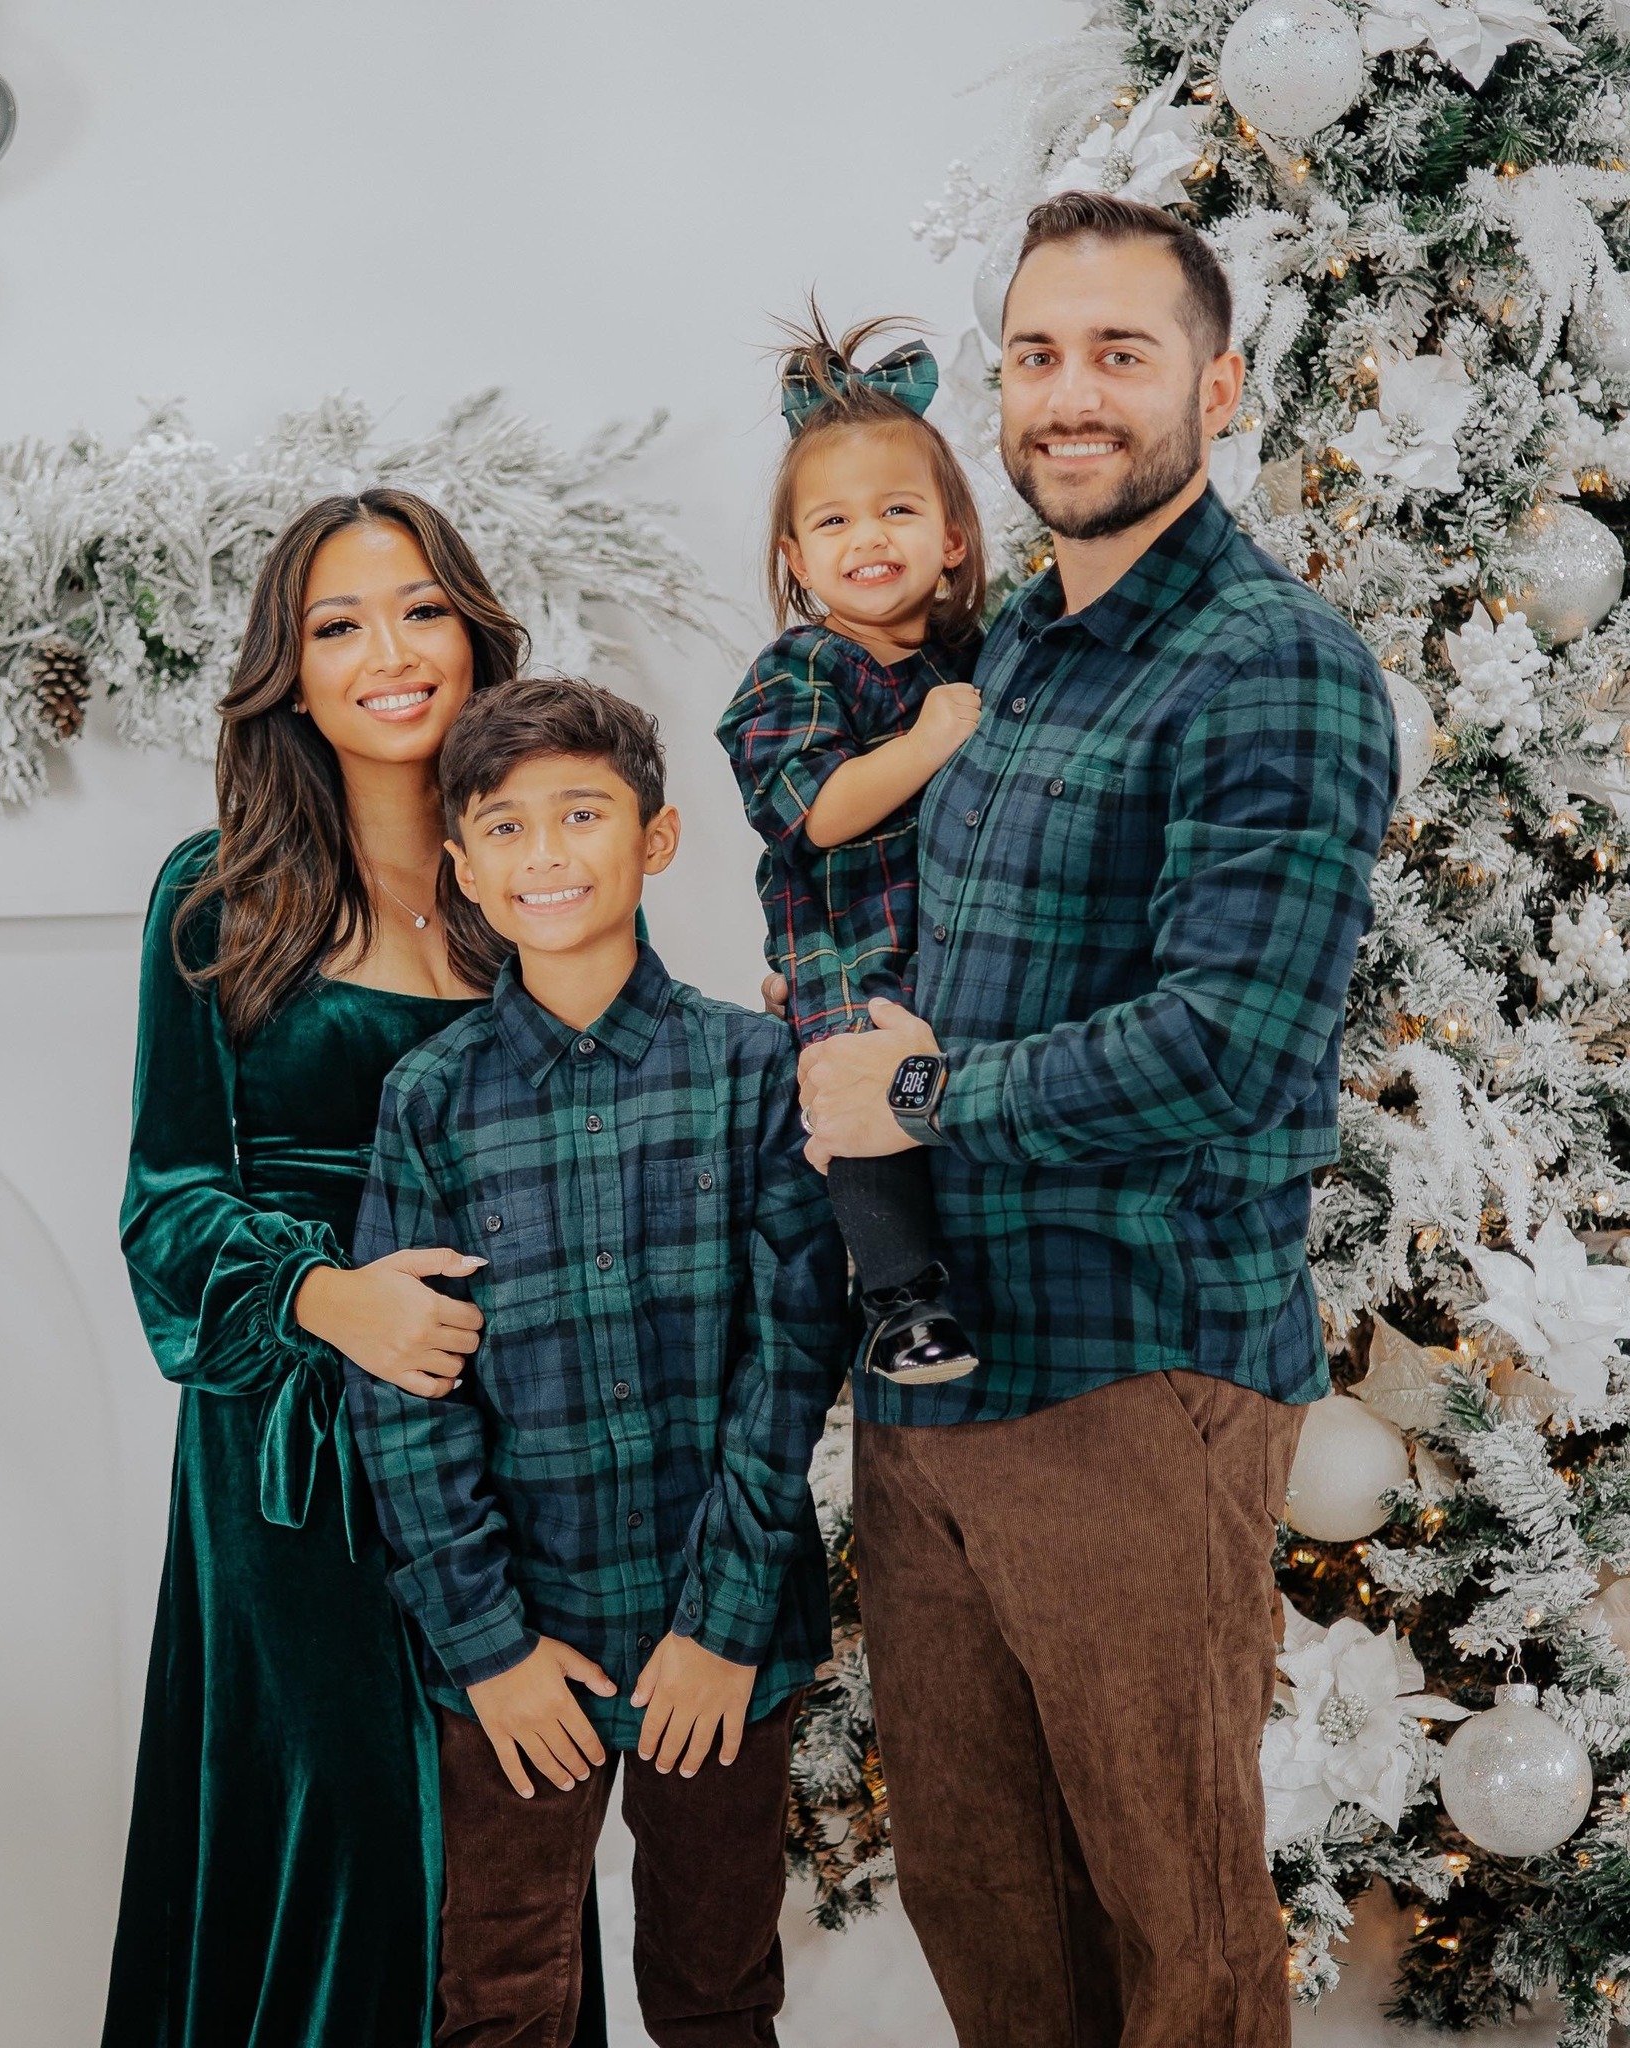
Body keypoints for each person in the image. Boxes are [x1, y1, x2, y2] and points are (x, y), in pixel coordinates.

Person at [793, 192, 1399, 2046]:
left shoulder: (1268, 661)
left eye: (1118, 354)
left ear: (1216, 386)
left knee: (1171, 1928)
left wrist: (911, 1089)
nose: (1069, 394)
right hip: (937, 1385)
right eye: (1037, 354)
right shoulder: (1027, 651)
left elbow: (1228, 1043)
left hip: (1133, 1383)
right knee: (990, 1911)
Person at [102, 494, 609, 2048]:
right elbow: (166, 1208)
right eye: (339, 626)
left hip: (512, 1454)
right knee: (346, 1848)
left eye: (421, 612)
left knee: (512, 1874)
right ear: (292, 672)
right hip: (291, 1472)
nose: (388, 655)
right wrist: (336, 1297)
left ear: (476, 637)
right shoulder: (218, 893)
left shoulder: (539, 878)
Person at [345, 678, 850, 2047]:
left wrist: (723, 1624)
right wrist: (489, 1648)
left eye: (582, 815)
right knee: (502, 2003)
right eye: (504, 829)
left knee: (715, 1992)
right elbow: (406, 1400)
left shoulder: (753, 1070)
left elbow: (792, 1357)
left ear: (658, 838)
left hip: (721, 1647)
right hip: (521, 1650)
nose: (547, 855)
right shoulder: (430, 1102)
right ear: (462, 867)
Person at [716, 306, 987, 1382]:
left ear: (950, 537)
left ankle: (958, 1275)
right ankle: (897, 1300)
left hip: (956, 948)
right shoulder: (798, 671)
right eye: (832, 524)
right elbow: (813, 810)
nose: (866, 538)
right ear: (794, 558)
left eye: (894, 511)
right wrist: (926, 741)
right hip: (850, 950)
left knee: (947, 1110)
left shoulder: (973, 654)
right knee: (862, 1104)